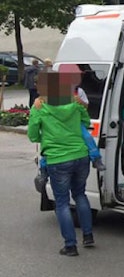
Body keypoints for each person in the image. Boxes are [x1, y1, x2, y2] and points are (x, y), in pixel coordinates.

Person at [27, 72, 95, 256]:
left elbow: (33, 135)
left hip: (58, 159)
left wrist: (48, 135)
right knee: (80, 194)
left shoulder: (39, 107)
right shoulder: (74, 102)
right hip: (81, 155)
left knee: (62, 203)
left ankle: (70, 245)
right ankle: (88, 236)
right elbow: (87, 122)